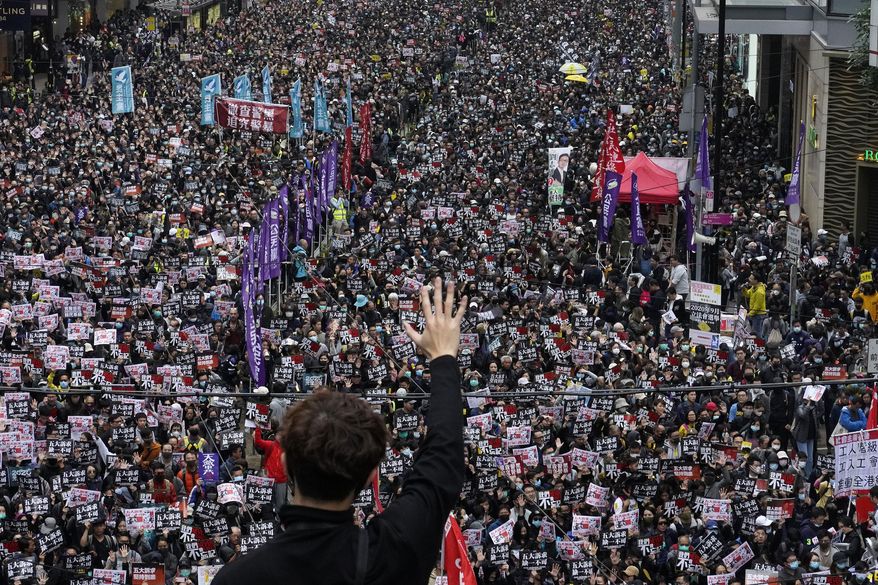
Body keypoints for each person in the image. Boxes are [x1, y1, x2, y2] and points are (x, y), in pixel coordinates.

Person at [214, 278, 467, 585]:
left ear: (285, 463)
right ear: (371, 473)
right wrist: (442, 359)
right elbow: (442, 462)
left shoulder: (238, 578)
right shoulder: (393, 552)